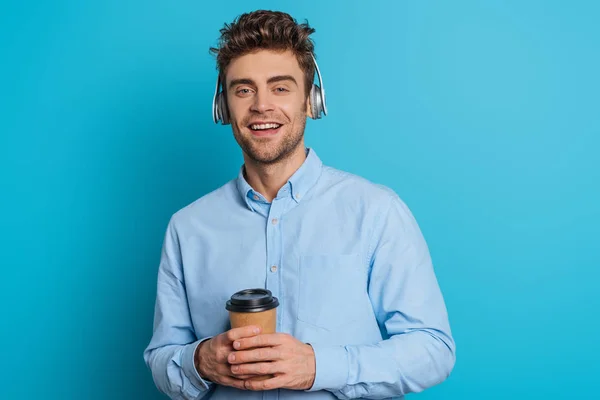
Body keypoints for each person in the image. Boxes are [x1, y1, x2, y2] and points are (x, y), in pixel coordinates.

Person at [143, 9, 455, 400]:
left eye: (280, 87)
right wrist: (200, 360)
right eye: (243, 89)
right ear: (224, 107)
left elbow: (432, 349)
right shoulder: (187, 228)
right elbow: (162, 358)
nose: (260, 106)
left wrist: (317, 367)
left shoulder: (376, 211)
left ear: (311, 100)